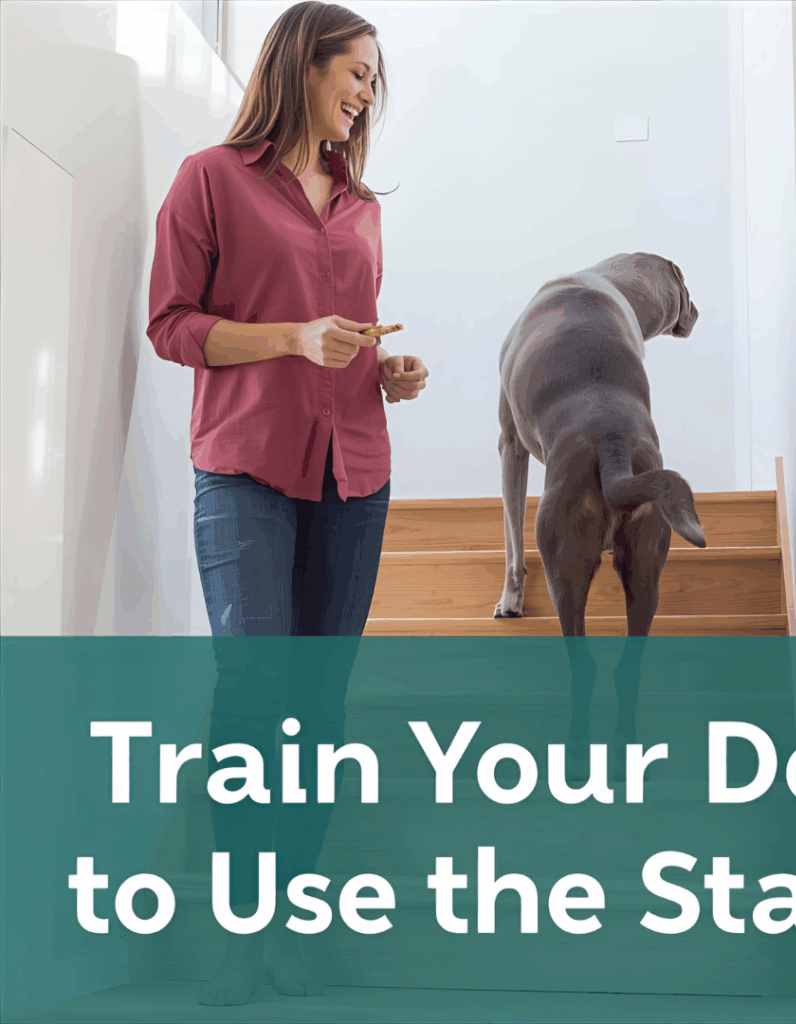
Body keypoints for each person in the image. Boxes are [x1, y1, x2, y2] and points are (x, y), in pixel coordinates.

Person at [147, 1, 426, 1005]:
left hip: (354, 474)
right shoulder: (211, 179)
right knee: (254, 696)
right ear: (303, 65)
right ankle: (239, 931)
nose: (366, 93)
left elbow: (343, 336)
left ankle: (291, 925)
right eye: (355, 72)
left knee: (316, 712)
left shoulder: (363, 207)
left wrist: (383, 369)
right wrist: (292, 339)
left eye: (372, 80)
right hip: (246, 471)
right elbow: (172, 325)